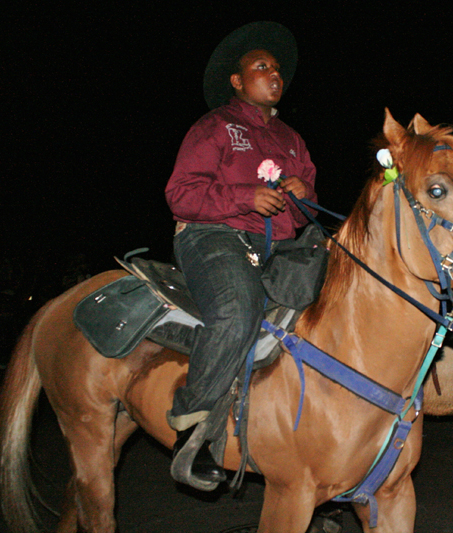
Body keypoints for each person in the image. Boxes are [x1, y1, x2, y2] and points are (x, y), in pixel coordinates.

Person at [164, 22, 317, 486]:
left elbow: (306, 209)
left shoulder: (292, 139)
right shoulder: (213, 127)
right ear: (237, 81)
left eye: (277, 69)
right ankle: (192, 432)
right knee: (237, 309)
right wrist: (245, 197)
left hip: (276, 246)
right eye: (261, 67)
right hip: (213, 236)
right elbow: (181, 193)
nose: (274, 75)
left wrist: (302, 192)